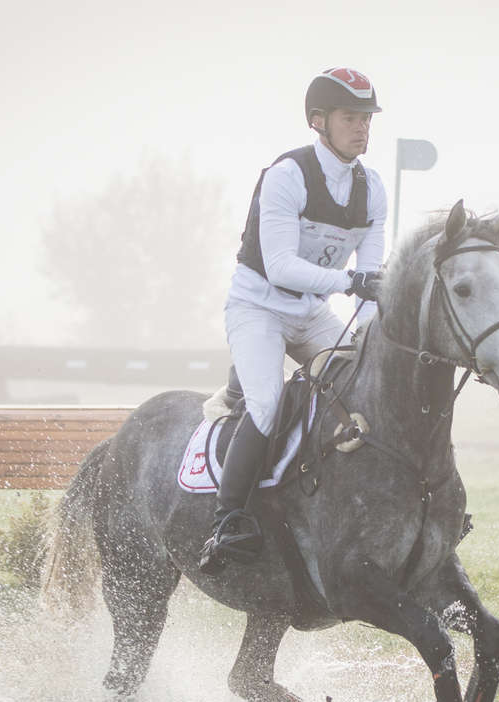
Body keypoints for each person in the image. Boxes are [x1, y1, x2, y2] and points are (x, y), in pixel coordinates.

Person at [198, 66, 388, 574]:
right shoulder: (287, 175)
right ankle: (227, 520)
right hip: (258, 308)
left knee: (365, 392)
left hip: (311, 315)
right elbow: (282, 265)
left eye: (367, 118)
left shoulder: (373, 191)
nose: (362, 127)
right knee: (268, 402)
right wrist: (351, 283)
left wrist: (369, 335)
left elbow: (371, 284)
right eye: (351, 117)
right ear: (318, 121)